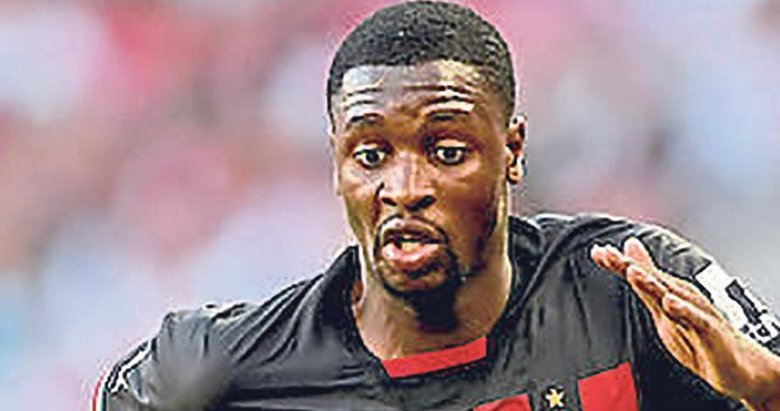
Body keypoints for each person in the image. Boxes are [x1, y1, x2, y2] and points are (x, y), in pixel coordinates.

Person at [95, 2, 780, 410]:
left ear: (512, 150)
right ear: (336, 164)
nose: (405, 187)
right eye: (370, 155)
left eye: (446, 151)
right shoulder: (218, 367)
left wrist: (763, 390)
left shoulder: (630, 291)